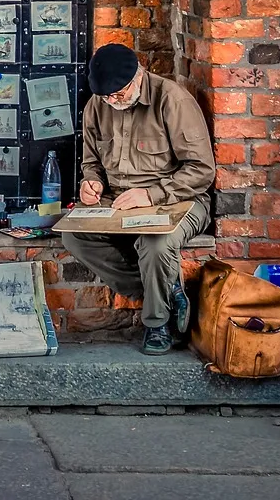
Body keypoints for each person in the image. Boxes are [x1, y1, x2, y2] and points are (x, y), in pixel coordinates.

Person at [61, 42, 215, 355]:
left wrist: (151, 194)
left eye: (118, 94)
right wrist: (90, 183)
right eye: (105, 96)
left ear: (137, 78)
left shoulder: (171, 99)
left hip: (179, 199)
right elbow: (91, 161)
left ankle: (157, 323)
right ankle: (166, 292)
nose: (111, 101)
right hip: (118, 201)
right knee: (74, 235)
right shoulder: (97, 106)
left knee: (155, 243)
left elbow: (202, 171)